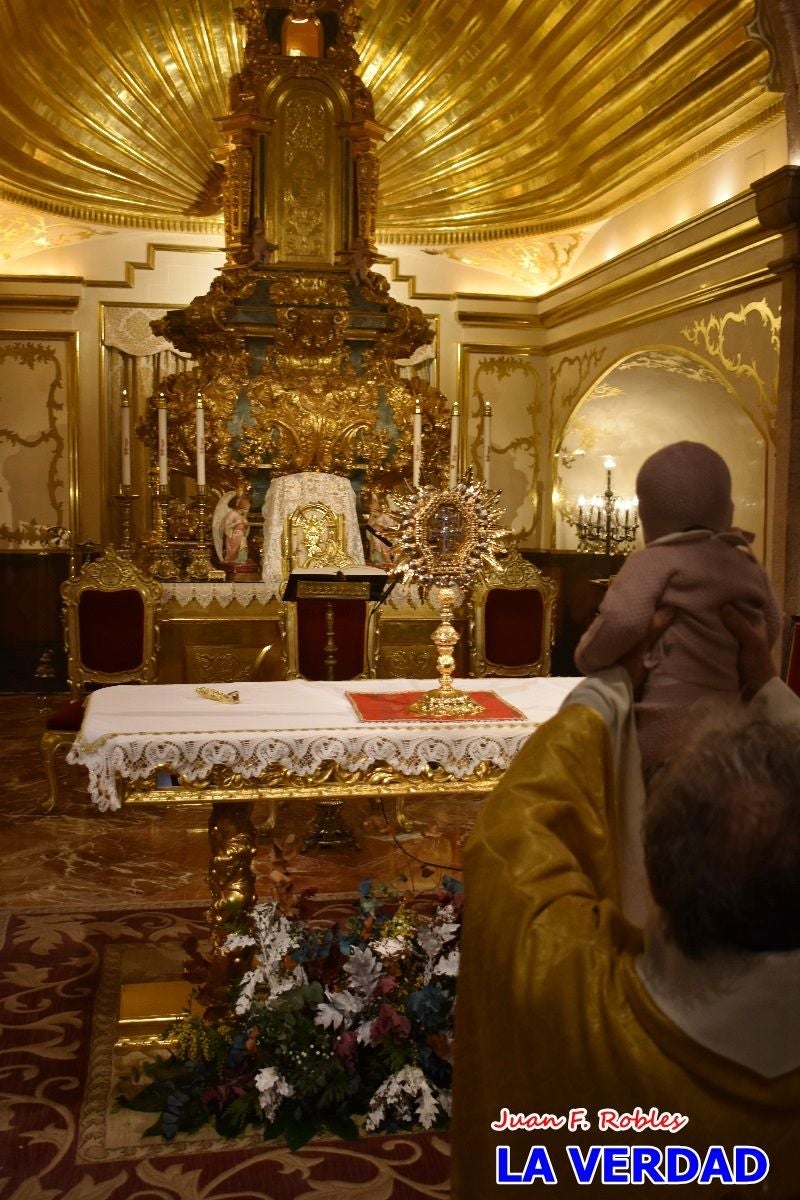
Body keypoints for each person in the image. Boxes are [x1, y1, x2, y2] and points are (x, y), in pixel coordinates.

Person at [451, 607, 800, 1198]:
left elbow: (517, 831)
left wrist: (609, 690)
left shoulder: (554, 980)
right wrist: (769, 690)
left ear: (654, 872)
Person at [574, 441, 781, 770]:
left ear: (643, 516)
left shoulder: (651, 561)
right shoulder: (747, 563)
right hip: (734, 732)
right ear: (728, 510)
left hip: (665, 733)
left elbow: (623, 621)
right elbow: (769, 626)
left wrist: (588, 656)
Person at [222, 493, 250, 564]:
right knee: (234, 550)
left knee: (243, 546)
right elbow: (226, 526)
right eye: (246, 509)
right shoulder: (232, 514)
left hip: (241, 535)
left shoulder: (242, 515)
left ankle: (241, 560)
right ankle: (232, 559)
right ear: (240, 508)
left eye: (248, 509)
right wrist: (236, 523)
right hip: (234, 535)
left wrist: (246, 524)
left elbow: (246, 527)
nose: (247, 511)